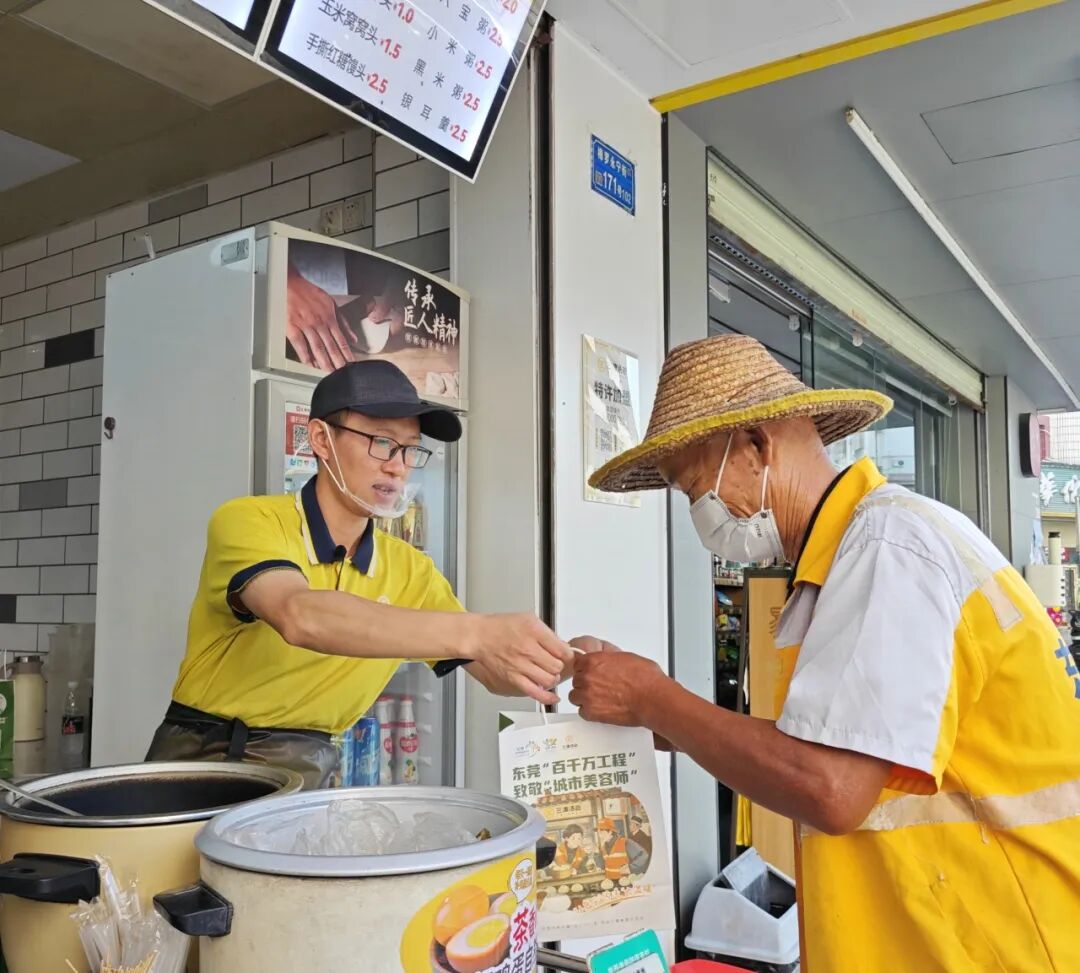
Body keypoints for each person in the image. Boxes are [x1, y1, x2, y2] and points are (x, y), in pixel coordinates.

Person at [570, 335, 1080, 971]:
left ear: (756, 446)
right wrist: (654, 718)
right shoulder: (857, 555)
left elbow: (832, 787)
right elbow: (824, 753)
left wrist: (651, 696)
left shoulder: (888, 545)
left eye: (694, 488)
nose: (698, 513)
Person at [146, 360, 576, 787]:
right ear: (321, 439)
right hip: (208, 759)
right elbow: (300, 615)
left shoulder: (410, 568)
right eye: (382, 442)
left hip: (313, 767)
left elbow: (491, 670)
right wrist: (478, 631)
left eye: (410, 449)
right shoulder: (251, 520)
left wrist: (574, 661)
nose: (397, 466)